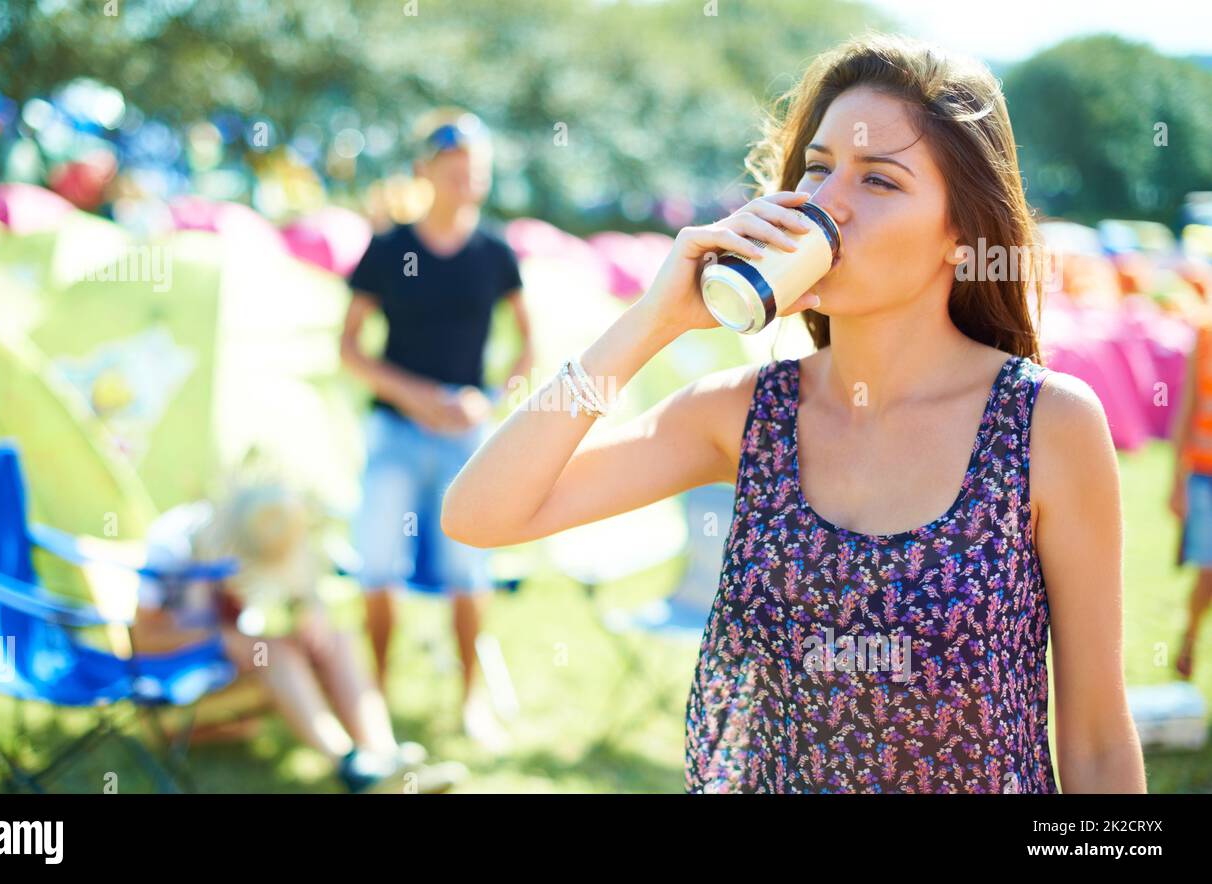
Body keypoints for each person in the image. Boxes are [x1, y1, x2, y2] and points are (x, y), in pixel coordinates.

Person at [442, 34, 1146, 793]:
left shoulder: (1046, 426)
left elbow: (1100, 745)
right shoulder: (749, 413)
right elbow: (482, 513)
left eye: (879, 181)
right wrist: (649, 323)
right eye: (817, 167)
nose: (826, 204)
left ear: (962, 234)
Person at [339, 107, 533, 752]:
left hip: (463, 438)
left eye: (474, 170)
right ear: (425, 171)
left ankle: (471, 698)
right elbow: (349, 349)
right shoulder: (391, 248)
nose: (465, 180)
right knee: (377, 568)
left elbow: (528, 349)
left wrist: (489, 402)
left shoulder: (495, 253)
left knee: (468, 572)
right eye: (452, 169)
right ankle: (373, 703)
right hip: (395, 433)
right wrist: (416, 395)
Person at [132, 483, 468, 793]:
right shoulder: (172, 545)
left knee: (337, 639)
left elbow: (297, 594)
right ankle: (352, 767)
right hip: (180, 670)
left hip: (241, 657)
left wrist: (311, 610)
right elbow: (143, 640)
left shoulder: (263, 530)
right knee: (274, 651)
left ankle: (383, 755)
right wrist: (221, 638)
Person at [1167, 304, 1212, 679]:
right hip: (1204, 473)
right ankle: (1189, 641)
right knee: (1207, 572)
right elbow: (1185, 408)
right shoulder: (1204, 333)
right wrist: (1175, 482)